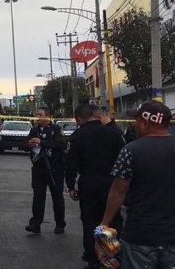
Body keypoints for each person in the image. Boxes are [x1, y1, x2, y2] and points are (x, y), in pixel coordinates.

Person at [101, 100, 175, 268]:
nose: (134, 125)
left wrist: (104, 223)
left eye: (137, 121)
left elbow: (118, 191)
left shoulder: (130, 150)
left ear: (146, 122)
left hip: (139, 237)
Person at [65, 105, 124, 269]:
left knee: (90, 221)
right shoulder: (114, 133)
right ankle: (113, 255)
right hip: (111, 183)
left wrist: (70, 186)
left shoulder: (77, 136)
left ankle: (92, 258)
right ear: (95, 116)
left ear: (78, 119)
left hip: (88, 183)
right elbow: (123, 159)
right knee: (112, 219)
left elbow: (70, 164)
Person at [25, 106, 67, 234]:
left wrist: (42, 142)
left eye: (40, 115)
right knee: (38, 197)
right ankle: (35, 224)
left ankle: (60, 224)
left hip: (54, 169)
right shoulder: (34, 130)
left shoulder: (56, 129)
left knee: (57, 197)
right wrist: (29, 144)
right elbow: (25, 145)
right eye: (36, 115)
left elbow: (61, 144)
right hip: (38, 169)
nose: (38, 117)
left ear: (47, 116)